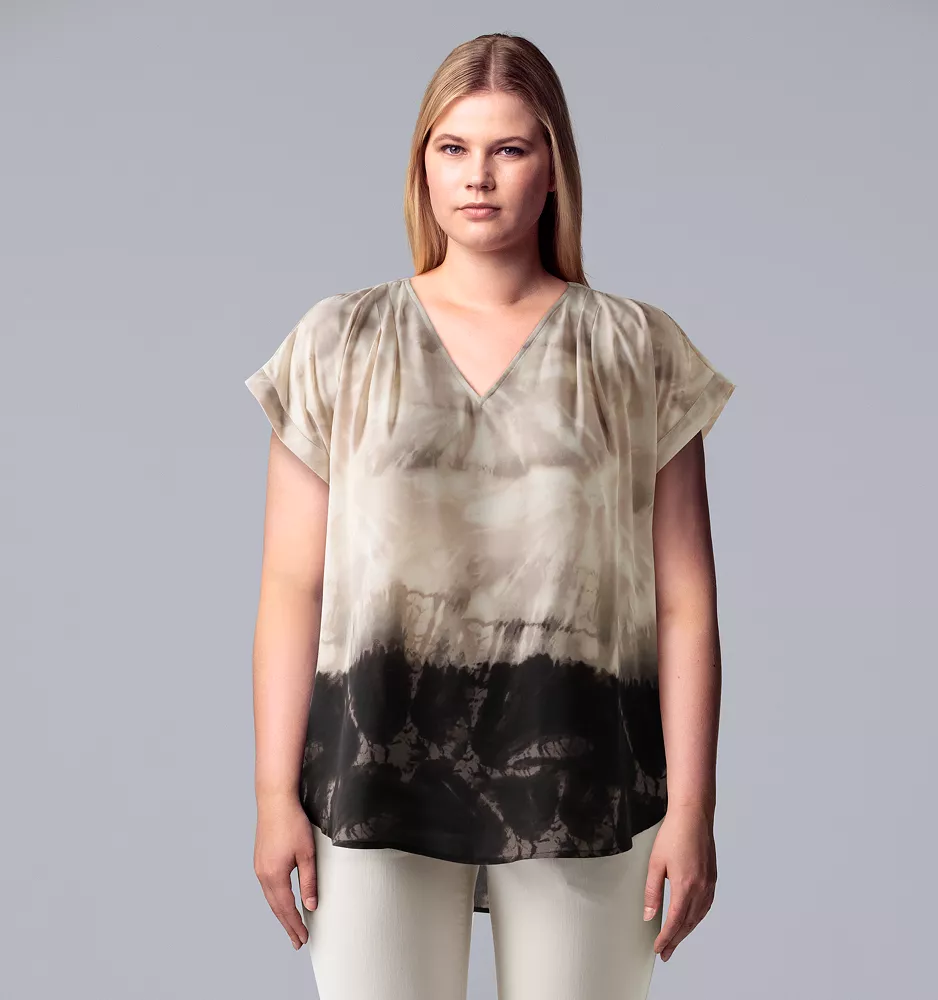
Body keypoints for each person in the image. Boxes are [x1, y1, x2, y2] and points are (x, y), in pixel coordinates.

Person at [244, 31, 735, 1000]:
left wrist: (692, 808)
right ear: (422, 166)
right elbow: (291, 585)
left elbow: (685, 601)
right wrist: (271, 796)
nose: (478, 176)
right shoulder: (340, 342)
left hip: (585, 771)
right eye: (453, 147)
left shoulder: (635, 350)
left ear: (553, 168)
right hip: (370, 767)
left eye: (509, 148)